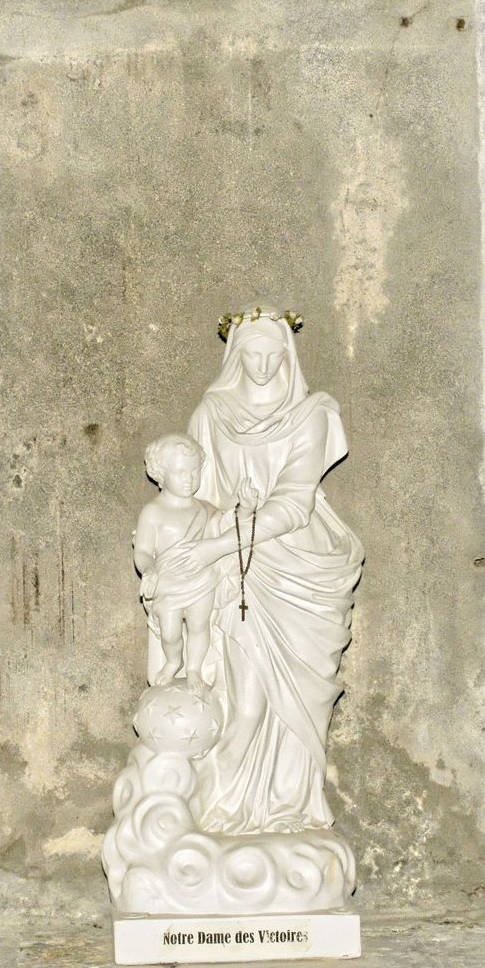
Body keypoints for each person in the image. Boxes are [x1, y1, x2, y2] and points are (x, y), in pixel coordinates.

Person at [150, 309, 364, 836]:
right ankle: (217, 801)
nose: (265, 365)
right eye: (253, 354)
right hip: (239, 572)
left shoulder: (313, 413)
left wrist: (215, 545)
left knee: (302, 700)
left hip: (302, 567)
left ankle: (290, 808)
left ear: (290, 356)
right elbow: (194, 500)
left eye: (275, 355)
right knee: (243, 699)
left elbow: (294, 503)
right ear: (235, 356)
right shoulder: (212, 413)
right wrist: (180, 555)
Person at [133, 433, 218, 688]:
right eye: (181, 472)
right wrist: (149, 571)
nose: (190, 478)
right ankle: (173, 661)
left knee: (199, 625)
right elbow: (143, 551)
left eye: (194, 471)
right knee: (170, 632)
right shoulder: (153, 512)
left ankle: (194, 669)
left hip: (201, 580)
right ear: (160, 473)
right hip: (168, 583)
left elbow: (229, 527)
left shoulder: (204, 509)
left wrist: (245, 510)